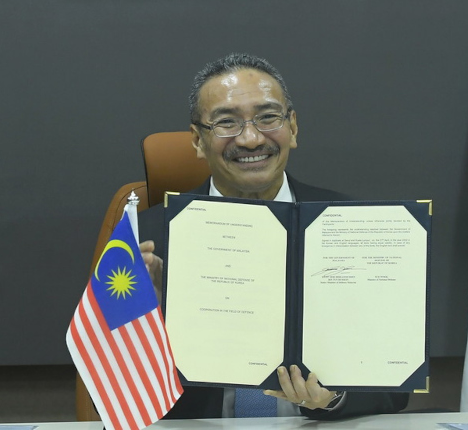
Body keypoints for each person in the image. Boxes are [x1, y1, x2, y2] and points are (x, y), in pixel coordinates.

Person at [139, 53, 410, 420]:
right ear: (198, 141)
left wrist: (333, 398)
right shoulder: (146, 240)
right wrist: (142, 324)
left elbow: (396, 387)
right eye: (226, 122)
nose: (251, 139)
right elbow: (108, 391)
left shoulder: (355, 227)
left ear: (293, 128)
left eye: (268, 117)